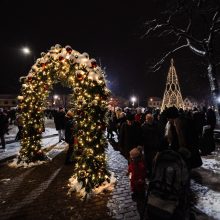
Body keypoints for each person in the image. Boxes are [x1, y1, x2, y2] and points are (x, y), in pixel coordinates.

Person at [128, 147, 146, 220]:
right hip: (134, 181)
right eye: (132, 158)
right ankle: (137, 196)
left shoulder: (141, 165)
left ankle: (141, 200)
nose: (133, 160)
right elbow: (130, 168)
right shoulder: (132, 164)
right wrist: (128, 172)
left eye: (134, 158)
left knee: (140, 192)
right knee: (135, 190)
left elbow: (143, 173)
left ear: (138, 158)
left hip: (139, 182)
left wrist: (141, 179)